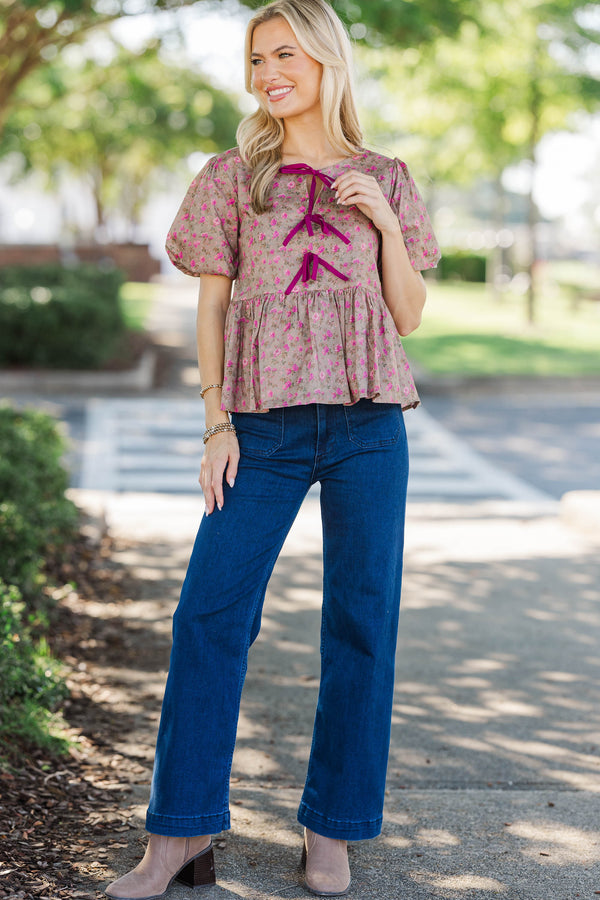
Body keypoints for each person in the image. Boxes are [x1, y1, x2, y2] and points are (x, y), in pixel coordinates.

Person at [105, 0, 440, 897]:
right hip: (263, 427)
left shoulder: (388, 176)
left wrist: (387, 227)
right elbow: (210, 307)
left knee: (361, 625)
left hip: (371, 425)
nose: (268, 73)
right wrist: (216, 425)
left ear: (328, 60)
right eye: (257, 58)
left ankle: (331, 830)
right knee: (209, 616)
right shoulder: (231, 177)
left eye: (285, 53)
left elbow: (406, 317)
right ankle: (179, 835)